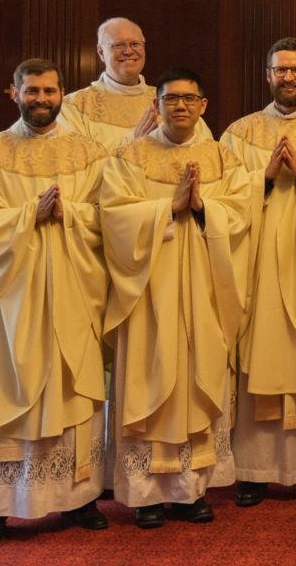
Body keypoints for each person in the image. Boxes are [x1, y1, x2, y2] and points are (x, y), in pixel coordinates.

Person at [0, 59, 109, 546]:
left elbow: (108, 217)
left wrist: (70, 213)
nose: (41, 99)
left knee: (71, 392)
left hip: (71, 294)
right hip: (3, 298)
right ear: (13, 94)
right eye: (31, 91)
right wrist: (26, 216)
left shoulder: (92, 155)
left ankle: (78, 497)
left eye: (50, 91)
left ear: (62, 94)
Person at [101, 68, 251, 528]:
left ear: (203, 105)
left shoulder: (225, 160)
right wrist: (168, 206)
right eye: (170, 99)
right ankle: (145, 494)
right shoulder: (129, 157)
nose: (180, 106)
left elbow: (243, 214)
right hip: (148, 289)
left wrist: (203, 207)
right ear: (157, 106)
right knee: (150, 377)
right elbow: (113, 216)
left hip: (204, 285)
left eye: (189, 99)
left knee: (197, 376)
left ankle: (190, 491)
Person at [220, 38, 296, 508]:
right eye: (279, 70)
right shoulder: (239, 133)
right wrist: (265, 179)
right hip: (257, 264)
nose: (288, 78)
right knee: (259, 352)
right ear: (267, 75)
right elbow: (223, 198)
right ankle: (253, 470)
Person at [60, 17, 211, 151]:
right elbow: (78, 166)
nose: (128, 51)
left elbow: (205, 151)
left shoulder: (170, 99)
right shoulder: (74, 106)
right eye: (118, 45)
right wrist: (132, 143)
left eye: (135, 44)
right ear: (100, 52)